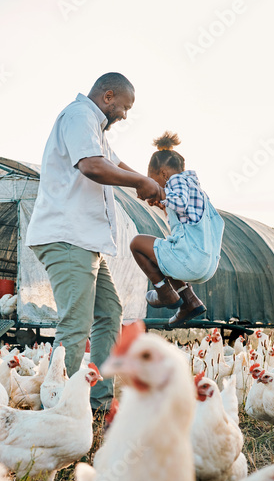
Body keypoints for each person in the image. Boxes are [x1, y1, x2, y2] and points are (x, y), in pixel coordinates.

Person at [25, 72, 162, 410]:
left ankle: (97, 401)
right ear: (108, 96)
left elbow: (114, 163)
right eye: (125, 108)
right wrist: (141, 183)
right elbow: (93, 167)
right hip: (67, 236)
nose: (125, 116)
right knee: (75, 323)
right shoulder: (79, 116)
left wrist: (148, 183)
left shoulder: (94, 129)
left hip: (85, 242)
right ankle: (60, 409)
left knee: (109, 312)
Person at [129, 132, 224, 327]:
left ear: (163, 174)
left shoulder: (175, 181)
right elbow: (184, 213)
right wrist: (162, 204)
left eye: (153, 181)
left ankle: (165, 293)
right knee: (164, 251)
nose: (154, 185)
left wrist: (160, 192)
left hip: (190, 260)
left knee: (137, 243)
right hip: (206, 264)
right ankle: (190, 302)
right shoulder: (196, 188)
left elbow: (178, 201)